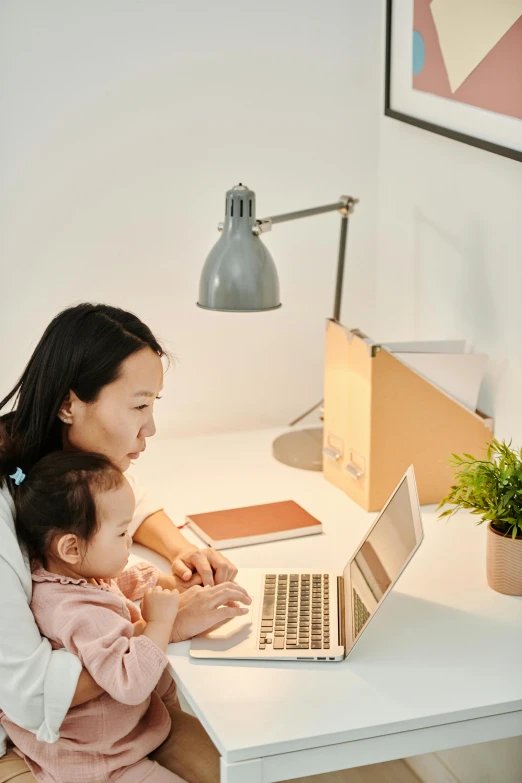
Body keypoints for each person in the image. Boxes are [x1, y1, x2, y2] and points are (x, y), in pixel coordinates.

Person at [0, 303, 249, 783]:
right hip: (45, 746)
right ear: (69, 404)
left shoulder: (67, 463)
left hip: (124, 721)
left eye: (154, 405)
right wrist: (164, 629)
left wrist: (181, 552)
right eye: (138, 406)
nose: (150, 428)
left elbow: (131, 506)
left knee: (247, 766)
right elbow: (29, 694)